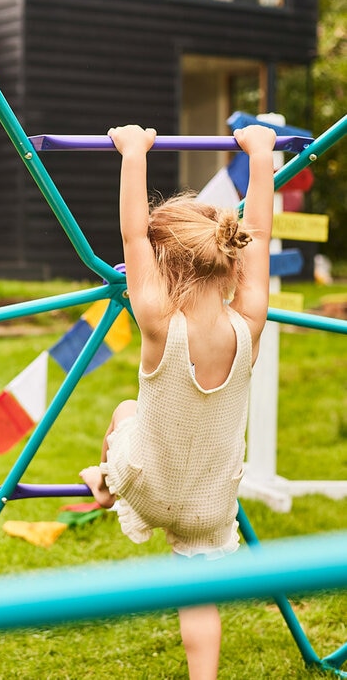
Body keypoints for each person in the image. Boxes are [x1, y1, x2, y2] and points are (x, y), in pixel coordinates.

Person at [80, 124, 277, 680]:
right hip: (209, 508)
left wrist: (134, 153)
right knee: (200, 599)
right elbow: (259, 235)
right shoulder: (251, 323)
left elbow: (132, 237)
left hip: (147, 484)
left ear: (168, 270)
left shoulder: (159, 325)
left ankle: (104, 484)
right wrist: (261, 155)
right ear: (231, 263)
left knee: (125, 412)